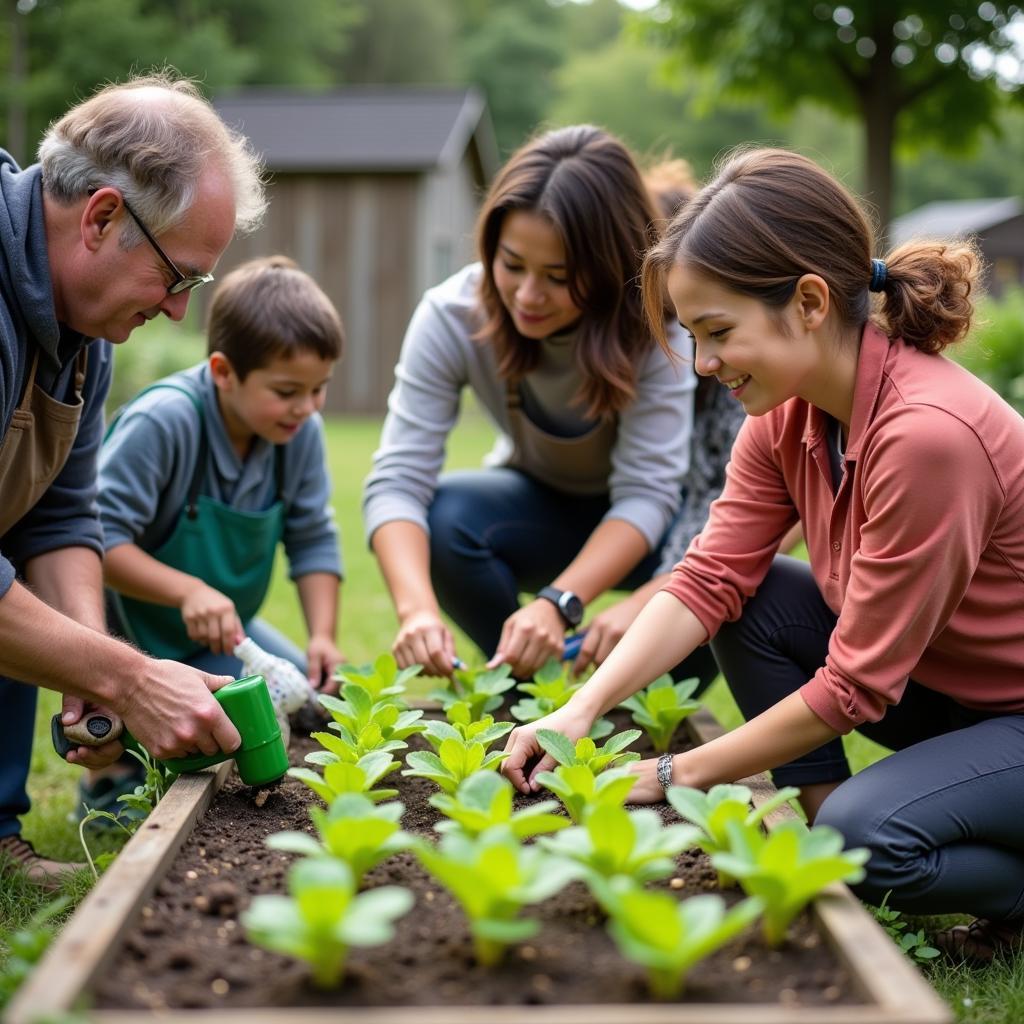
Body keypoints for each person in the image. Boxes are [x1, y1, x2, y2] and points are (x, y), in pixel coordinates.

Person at [502, 147, 1024, 965]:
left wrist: (674, 774)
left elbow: (855, 686)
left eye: (718, 333)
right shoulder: (788, 415)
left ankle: (974, 879)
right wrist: (579, 712)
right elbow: (707, 581)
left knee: (866, 839)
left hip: (1011, 718)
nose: (705, 365)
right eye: (693, 336)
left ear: (809, 302)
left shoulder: (929, 438)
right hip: (946, 691)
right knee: (756, 601)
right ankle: (823, 835)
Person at [0, 72, 265, 886]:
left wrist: (94, 672)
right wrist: (130, 676)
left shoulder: (85, 334)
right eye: (177, 277)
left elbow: (60, 516)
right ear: (102, 216)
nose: (181, 311)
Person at [362, 125, 700, 683]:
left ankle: (633, 696)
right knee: (449, 518)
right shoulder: (451, 315)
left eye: (559, 277)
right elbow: (398, 479)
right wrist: (415, 608)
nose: (527, 296)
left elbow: (647, 493)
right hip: (536, 508)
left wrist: (558, 602)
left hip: (648, 532)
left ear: (611, 269)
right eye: (512, 264)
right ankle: (523, 686)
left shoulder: (658, 332)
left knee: (717, 585)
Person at [91, 256, 345, 813]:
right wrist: (187, 591)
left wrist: (323, 635)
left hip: (227, 634)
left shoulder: (297, 433)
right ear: (222, 372)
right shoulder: (165, 422)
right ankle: (109, 775)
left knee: (309, 699)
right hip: (135, 633)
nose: (306, 408)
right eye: (286, 391)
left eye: (319, 389)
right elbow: (96, 543)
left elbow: (313, 538)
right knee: (236, 723)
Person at [571, 158, 746, 678]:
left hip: (696, 545)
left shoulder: (738, 383)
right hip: (635, 528)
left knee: (743, 589)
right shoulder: (619, 356)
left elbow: (735, 525)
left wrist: (653, 596)